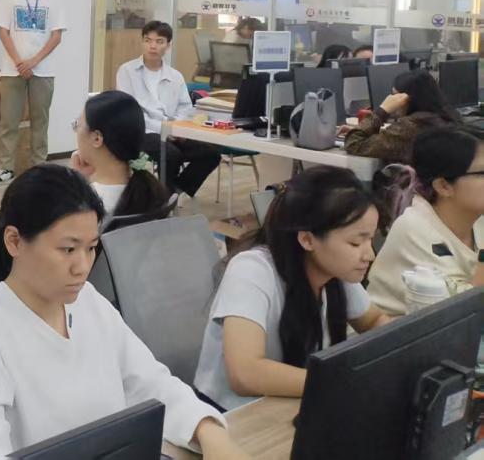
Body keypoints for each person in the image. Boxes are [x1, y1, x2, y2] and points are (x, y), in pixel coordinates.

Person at [0, 164, 245, 458]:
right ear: (14, 241)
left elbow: (150, 382)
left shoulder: (88, 301)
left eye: (90, 248)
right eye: (68, 249)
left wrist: (209, 432)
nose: (82, 267)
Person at [194, 167, 390, 411]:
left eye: (370, 239)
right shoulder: (252, 270)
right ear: (307, 239)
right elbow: (245, 374)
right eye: (355, 242)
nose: (369, 254)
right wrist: (339, 381)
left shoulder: (335, 271)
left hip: (295, 403)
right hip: (233, 415)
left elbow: (374, 321)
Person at [368, 126, 484, 314]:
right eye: (482, 173)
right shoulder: (414, 228)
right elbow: (458, 312)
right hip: (399, 330)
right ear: (443, 186)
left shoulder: (477, 219)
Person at [0, 0, 64, 186]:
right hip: (12, 69)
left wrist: (33, 61)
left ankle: (39, 166)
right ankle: (5, 168)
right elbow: (3, 33)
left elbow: (56, 36)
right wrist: (20, 62)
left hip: (43, 70)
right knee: (9, 120)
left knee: (40, 121)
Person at [116, 20, 221, 198]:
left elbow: (185, 107)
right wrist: (165, 129)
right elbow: (129, 112)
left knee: (211, 154)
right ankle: (165, 198)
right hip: (142, 131)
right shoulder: (127, 71)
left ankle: (172, 192)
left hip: (173, 132)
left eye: (159, 41)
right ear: (142, 41)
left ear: (168, 45)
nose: (152, 46)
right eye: (148, 40)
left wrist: (176, 128)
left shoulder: (175, 76)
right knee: (171, 154)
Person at [70, 90, 170, 217]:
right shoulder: (151, 192)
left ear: (96, 138)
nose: (76, 131)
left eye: (77, 125)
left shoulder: (82, 203)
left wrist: (74, 183)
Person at [344, 69, 461, 164]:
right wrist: (366, 129)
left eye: (395, 96)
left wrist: (381, 111)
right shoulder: (448, 116)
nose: (391, 99)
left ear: (408, 99)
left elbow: (354, 144)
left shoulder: (410, 127)